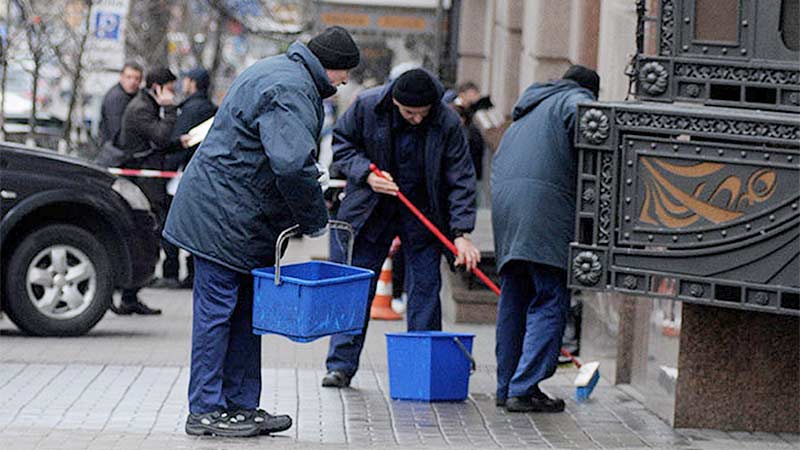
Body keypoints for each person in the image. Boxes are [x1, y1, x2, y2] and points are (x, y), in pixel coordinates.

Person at [162, 27, 360, 437]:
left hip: (238, 216)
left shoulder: (281, 72)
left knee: (245, 314)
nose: (343, 82)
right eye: (344, 74)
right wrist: (315, 221)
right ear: (331, 67)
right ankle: (205, 409)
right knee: (218, 314)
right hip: (222, 217)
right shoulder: (290, 88)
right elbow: (291, 164)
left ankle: (240, 406)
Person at [322, 68, 480, 388]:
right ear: (395, 102)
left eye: (423, 113)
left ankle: (420, 371)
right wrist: (367, 174)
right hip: (372, 211)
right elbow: (342, 144)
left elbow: (461, 179)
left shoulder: (447, 121)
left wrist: (461, 233)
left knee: (425, 290)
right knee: (357, 289)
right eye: (410, 113)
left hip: (423, 214)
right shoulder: (367, 106)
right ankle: (340, 365)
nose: (417, 119)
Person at [491, 65, 600, 413]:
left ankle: (506, 385)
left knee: (514, 298)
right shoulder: (574, 98)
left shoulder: (528, 110)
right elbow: (586, 116)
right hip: (544, 211)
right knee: (550, 297)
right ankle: (524, 388)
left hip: (508, 211)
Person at [114, 66, 186, 315]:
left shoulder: (146, 105)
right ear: (157, 88)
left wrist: (179, 144)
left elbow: (156, 144)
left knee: (149, 235)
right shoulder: (141, 109)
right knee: (147, 234)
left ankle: (130, 296)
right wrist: (169, 110)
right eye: (170, 90)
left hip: (148, 182)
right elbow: (160, 137)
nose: (172, 94)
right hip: (143, 184)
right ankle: (127, 294)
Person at [153, 67, 218, 290]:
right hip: (203, 177)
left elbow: (178, 143)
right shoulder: (212, 109)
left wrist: (165, 173)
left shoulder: (189, 110)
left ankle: (171, 271)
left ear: (193, 83)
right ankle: (193, 273)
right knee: (198, 228)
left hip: (180, 177)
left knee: (171, 223)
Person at [98, 62, 143, 147]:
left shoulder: (134, 95)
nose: (132, 82)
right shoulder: (115, 99)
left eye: (137, 78)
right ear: (121, 77)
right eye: (129, 77)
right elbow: (117, 134)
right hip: (115, 151)